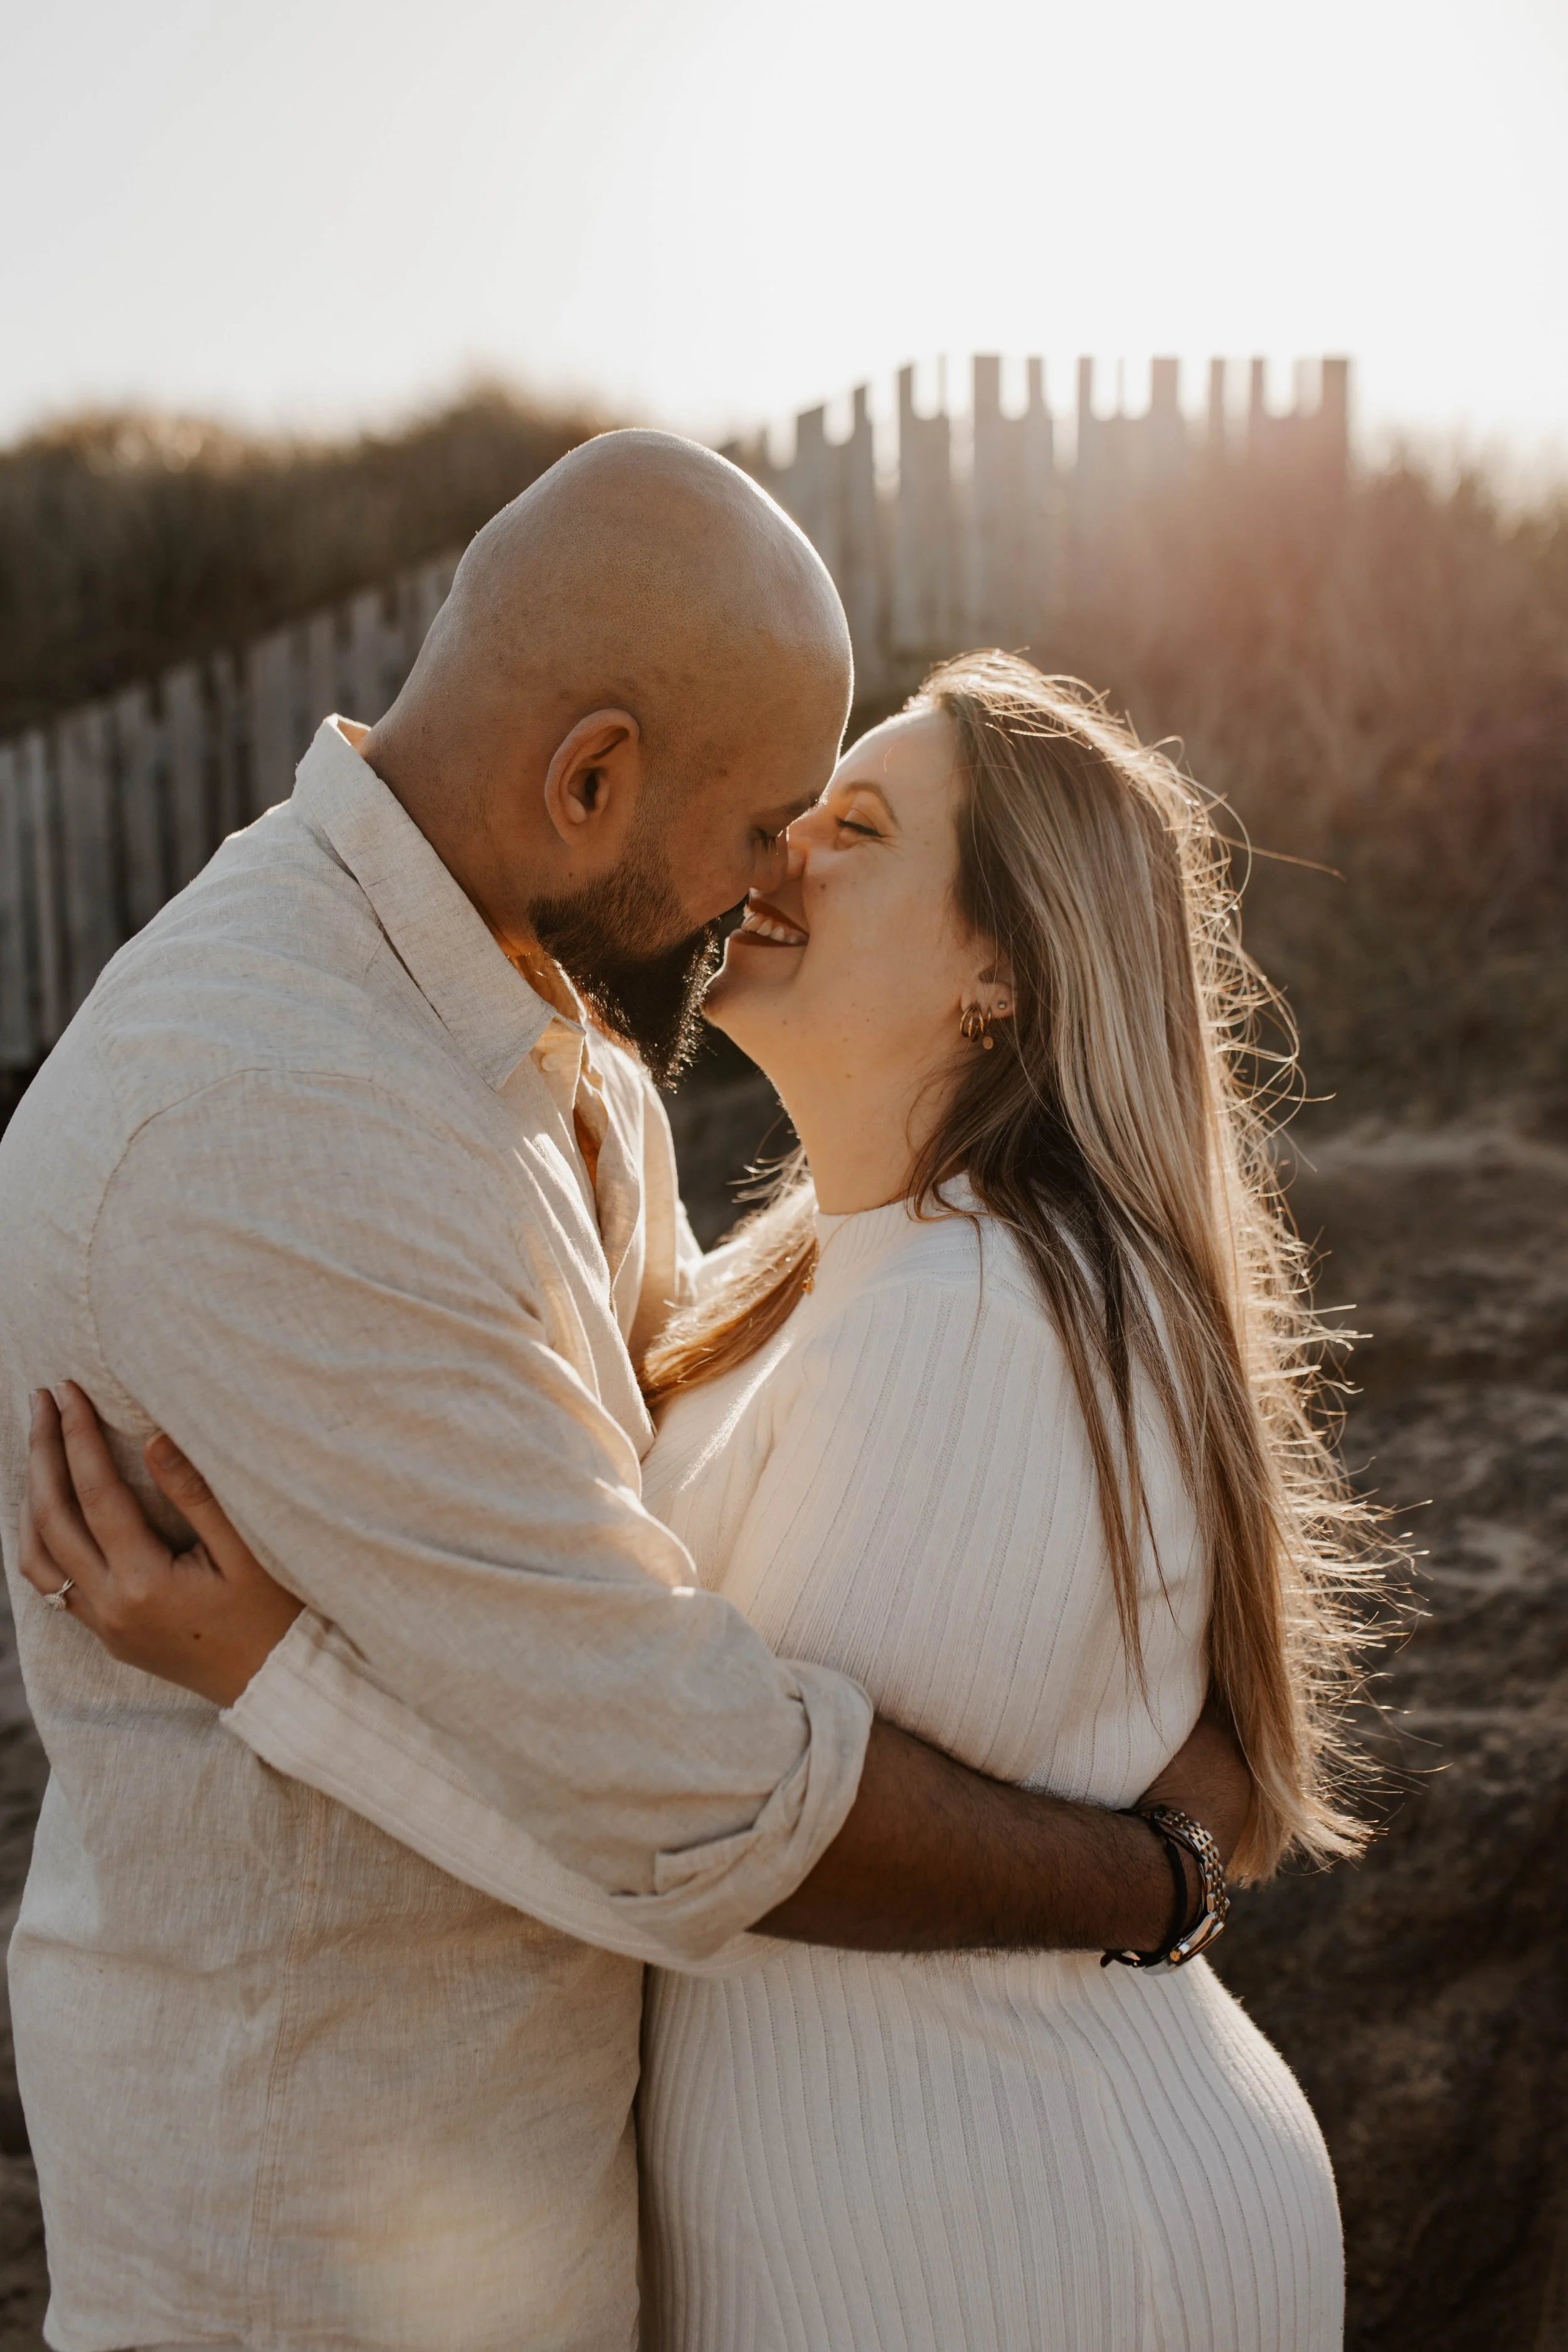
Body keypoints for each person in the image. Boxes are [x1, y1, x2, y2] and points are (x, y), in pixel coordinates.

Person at [0, 438, 1244, 2352]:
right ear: (588, 779)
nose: (770, 888)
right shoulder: (270, 1115)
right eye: (764, 826)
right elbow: (688, 1780)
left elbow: (643, 1550)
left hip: (567, 2218)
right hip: (310, 2256)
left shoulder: (552, 1049)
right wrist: (1142, 1869)